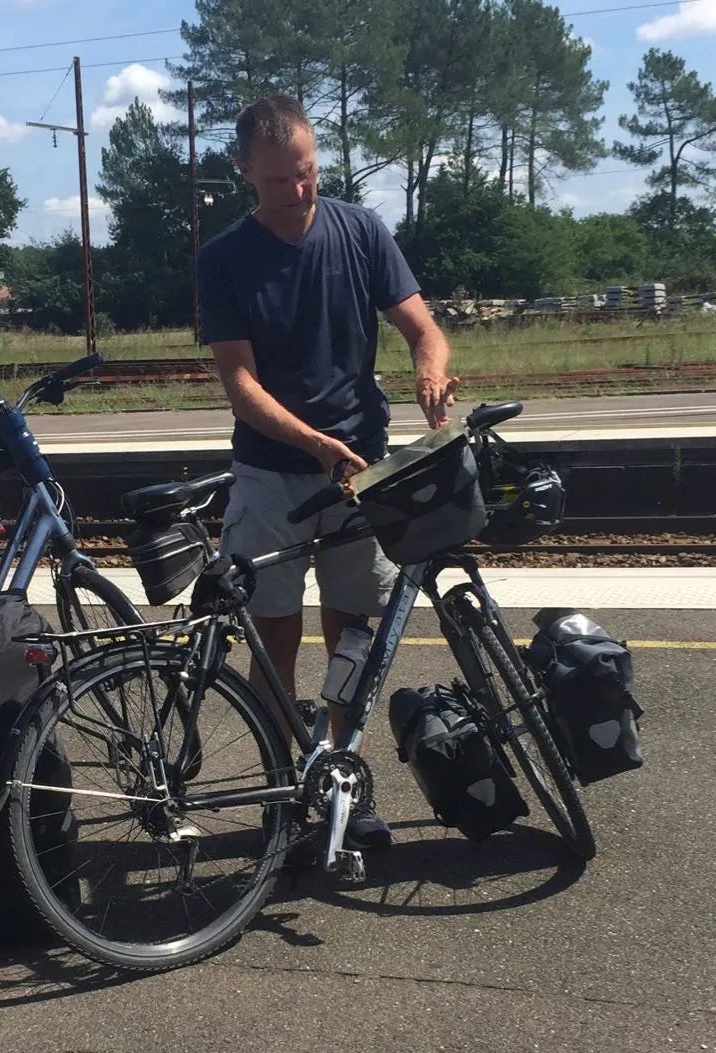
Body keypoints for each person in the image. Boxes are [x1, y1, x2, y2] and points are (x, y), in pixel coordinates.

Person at [197, 96, 459, 832]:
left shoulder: (361, 230)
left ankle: (344, 784)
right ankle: (281, 796)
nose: (298, 190)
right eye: (279, 180)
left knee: (353, 634)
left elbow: (422, 327)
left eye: (307, 172)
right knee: (272, 641)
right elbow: (240, 383)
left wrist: (429, 372)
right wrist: (313, 443)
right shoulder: (224, 258)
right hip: (271, 475)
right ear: (246, 172)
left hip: (361, 468)